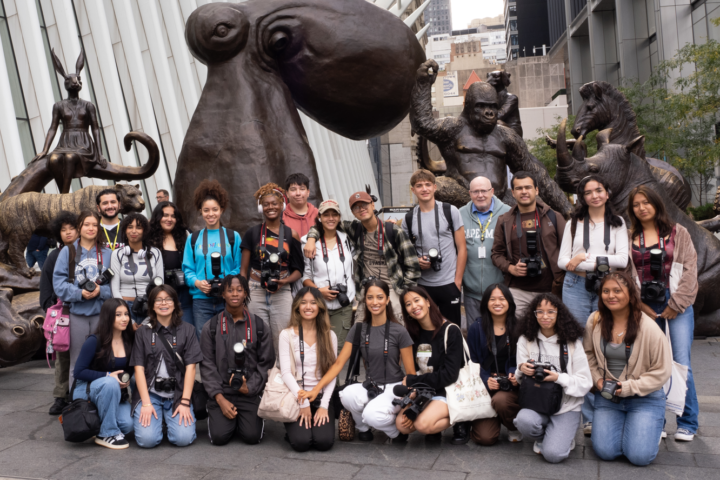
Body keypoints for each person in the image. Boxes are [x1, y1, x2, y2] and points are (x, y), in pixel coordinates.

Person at [298, 279, 415, 442]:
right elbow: (338, 364)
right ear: (364, 300)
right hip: (371, 385)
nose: (375, 302)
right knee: (346, 395)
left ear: (388, 300)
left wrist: (407, 404)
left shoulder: (399, 331)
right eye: (370, 297)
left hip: (393, 388)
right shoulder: (359, 328)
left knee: (371, 414)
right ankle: (363, 427)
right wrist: (316, 389)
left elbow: (411, 374)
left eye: (380, 297)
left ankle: (395, 432)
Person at [626, 186, 698, 442]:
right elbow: (626, 275)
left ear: (657, 203)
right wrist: (639, 306)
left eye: (646, 202)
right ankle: (656, 420)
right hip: (643, 304)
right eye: (636, 204)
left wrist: (676, 304)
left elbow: (690, 270)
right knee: (649, 363)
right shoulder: (629, 236)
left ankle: (687, 421)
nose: (642, 208)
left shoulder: (679, 233)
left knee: (680, 363)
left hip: (675, 301)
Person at [557, 174, 628, 435]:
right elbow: (562, 262)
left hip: (606, 288)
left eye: (599, 190)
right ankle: (587, 415)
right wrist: (576, 262)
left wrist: (583, 259)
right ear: (582, 197)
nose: (594, 195)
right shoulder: (574, 223)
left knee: (606, 344)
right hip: (575, 287)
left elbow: (622, 260)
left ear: (607, 193)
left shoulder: (618, 223)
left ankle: (608, 407)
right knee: (578, 345)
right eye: (588, 192)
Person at [584, 272, 672, 466]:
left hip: (644, 398)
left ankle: (650, 429)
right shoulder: (595, 320)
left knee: (639, 457)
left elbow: (662, 371)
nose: (610, 295)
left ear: (631, 294)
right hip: (608, 397)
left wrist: (627, 388)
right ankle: (632, 429)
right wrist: (597, 380)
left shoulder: (649, 327)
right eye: (606, 291)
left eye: (617, 291)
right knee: (605, 451)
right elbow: (587, 354)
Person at [304, 191, 420, 323]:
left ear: (373, 205)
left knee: (397, 328)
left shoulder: (393, 231)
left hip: (392, 288)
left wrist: (405, 293)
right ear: (353, 212)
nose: (361, 209)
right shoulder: (354, 229)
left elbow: (413, 266)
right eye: (356, 207)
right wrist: (311, 239)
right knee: (360, 328)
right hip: (367, 289)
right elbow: (324, 224)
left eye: (364, 204)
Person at [514, 293, 592, 463]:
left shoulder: (572, 343)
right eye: (540, 312)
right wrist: (522, 369)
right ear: (533, 315)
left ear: (559, 314)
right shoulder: (525, 340)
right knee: (522, 420)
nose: (545, 316)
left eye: (551, 312)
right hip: (537, 402)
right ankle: (544, 436)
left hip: (566, 406)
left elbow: (585, 382)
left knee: (553, 455)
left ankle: (561, 436)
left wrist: (558, 378)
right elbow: (519, 377)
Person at [201, 275, 274, 445]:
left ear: (246, 293)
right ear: (223, 294)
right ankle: (221, 416)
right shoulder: (211, 326)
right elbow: (207, 365)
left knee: (252, 437)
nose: (235, 294)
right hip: (222, 392)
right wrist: (219, 397)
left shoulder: (260, 326)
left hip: (249, 391)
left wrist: (250, 387)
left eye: (239, 290)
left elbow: (266, 362)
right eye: (230, 290)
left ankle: (242, 420)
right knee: (219, 438)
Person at [130, 285, 202, 448]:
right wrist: (146, 403)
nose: (164, 303)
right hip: (151, 393)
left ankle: (169, 420)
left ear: (176, 303)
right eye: (159, 300)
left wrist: (185, 401)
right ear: (152, 305)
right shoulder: (142, 332)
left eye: (168, 299)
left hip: (177, 394)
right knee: (147, 441)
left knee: (182, 439)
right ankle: (158, 420)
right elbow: (138, 369)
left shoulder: (188, 330)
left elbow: (191, 367)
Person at [491, 171, 566, 316]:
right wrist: (511, 268)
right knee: (517, 333)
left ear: (536, 190)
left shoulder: (554, 217)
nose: (524, 192)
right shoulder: (505, 220)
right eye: (519, 188)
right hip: (518, 290)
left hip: (551, 288)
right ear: (513, 192)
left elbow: (568, 250)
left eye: (528, 187)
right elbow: (496, 254)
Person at [395, 286, 464, 442]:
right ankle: (433, 420)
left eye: (417, 300)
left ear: (427, 302)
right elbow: (413, 369)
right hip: (424, 392)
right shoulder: (412, 335)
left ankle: (462, 419)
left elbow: (449, 375)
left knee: (422, 425)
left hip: (448, 391)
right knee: (401, 425)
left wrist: (413, 381)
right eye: (408, 304)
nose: (414, 306)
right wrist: (413, 390)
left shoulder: (451, 331)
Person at [241, 183, 303, 354]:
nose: (271, 207)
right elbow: (243, 269)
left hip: (282, 292)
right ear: (261, 207)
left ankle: (281, 376)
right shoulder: (252, 233)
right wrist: (244, 295)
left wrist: (284, 281)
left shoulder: (292, 234)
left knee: (283, 339)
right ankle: (263, 378)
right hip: (255, 290)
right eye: (266, 204)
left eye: (274, 203)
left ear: (282, 205)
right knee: (258, 338)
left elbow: (298, 270)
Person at [53, 210, 113, 386]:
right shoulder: (67, 251)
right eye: (87, 224)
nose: (91, 228)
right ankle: (77, 403)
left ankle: (100, 398)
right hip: (76, 315)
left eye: (95, 225)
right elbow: (59, 284)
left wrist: (100, 291)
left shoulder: (108, 253)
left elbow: (115, 288)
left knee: (102, 360)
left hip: (101, 315)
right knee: (77, 362)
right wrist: (80, 294)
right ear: (79, 226)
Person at [402, 170, 466, 326]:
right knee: (427, 329)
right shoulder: (409, 218)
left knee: (452, 329)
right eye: (419, 186)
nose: (424, 189)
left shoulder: (450, 211)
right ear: (413, 190)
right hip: (423, 285)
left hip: (449, 282)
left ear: (435, 187)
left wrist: (457, 282)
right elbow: (405, 253)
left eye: (428, 185)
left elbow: (462, 248)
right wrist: (416, 261)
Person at [279, 287, 338, 452]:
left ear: (320, 307)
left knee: (324, 443)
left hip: (321, 396)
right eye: (303, 302)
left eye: (313, 303)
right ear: (297, 306)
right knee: (301, 443)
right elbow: (285, 373)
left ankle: (312, 423)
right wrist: (303, 401)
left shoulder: (329, 335)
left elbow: (332, 374)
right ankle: (293, 431)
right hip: (296, 396)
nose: (308, 307)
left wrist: (324, 405)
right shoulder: (287, 335)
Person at [71, 299, 135, 449]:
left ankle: (96, 425)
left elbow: (129, 370)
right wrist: (107, 376)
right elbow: (79, 371)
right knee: (110, 382)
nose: (124, 318)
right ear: (108, 316)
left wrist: (124, 381)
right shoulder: (95, 340)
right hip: (87, 390)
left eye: (126, 314)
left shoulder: (129, 340)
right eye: (118, 315)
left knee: (127, 426)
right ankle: (107, 434)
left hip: (115, 393)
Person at [182, 180, 242, 339]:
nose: (211, 214)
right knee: (205, 339)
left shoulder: (233, 237)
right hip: (201, 300)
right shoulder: (193, 239)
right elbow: (188, 269)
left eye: (215, 209)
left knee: (230, 338)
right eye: (206, 210)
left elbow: (239, 267)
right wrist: (197, 283)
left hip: (227, 298)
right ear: (200, 211)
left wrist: (227, 282)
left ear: (221, 210)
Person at [467, 283, 521, 446]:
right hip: (486, 385)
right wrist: (485, 380)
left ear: (509, 302)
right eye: (492, 299)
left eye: (502, 299)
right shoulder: (476, 328)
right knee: (485, 438)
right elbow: (472, 361)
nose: (497, 303)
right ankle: (487, 417)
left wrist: (514, 373)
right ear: (485, 303)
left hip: (510, 387)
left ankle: (512, 426)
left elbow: (523, 358)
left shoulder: (519, 327)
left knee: (501, 401)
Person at [301, 199, 355, 350]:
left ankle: (334, 375)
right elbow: (305, 277)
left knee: (337, 349)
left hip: (343, 304)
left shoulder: (348, 239)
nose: (330, 218)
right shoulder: (307, 242)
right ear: (319, 217)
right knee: (318, 348)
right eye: (326, 215)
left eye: (334, 214)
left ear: (339, 217)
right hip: (318, 304)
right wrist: (318, 291)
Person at [459, 176, 511, 327]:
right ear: (470, 193)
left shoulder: (507, 213)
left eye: (484, 191)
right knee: (475, 334)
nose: (480, 195)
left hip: (499, 291)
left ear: (492, 191)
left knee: (499, 332)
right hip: (471, 292)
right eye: (476, 192)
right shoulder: (460, 214)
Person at [41, 211, 78, 415]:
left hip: (84, 310)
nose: (68, 233)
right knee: (62, 354)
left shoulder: (86, 252)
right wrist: (48, 309)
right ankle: (60, 396)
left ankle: (80, 393)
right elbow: (45, 285)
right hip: (62, 314)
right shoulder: (54, 256)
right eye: (63, 230)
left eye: (71, 228)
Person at [110, 213, 164, 325]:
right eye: (130, 227)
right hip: (125, 306)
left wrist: (149, 318)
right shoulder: (117, 254)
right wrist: (126, 316)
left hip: (150, 306)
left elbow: (160, 285)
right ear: (124, 230)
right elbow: (115, 288)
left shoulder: (155, 253)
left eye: (138, 227)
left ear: (144, 231)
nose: (134, 231)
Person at [148, 201, 192, 316]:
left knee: (188, 329)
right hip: (161, 294)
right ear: (158, 217)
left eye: (173, 216)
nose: (169, 219)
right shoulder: (148, 239)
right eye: (165, 215)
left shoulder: (186, 235)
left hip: (184, 293)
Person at [283, 173, 319, 238]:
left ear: (308, 192)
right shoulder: (281, 218)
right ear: (287, 193)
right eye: (293, 190)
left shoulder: (318, 215)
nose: (298, 193)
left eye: (302, 189)